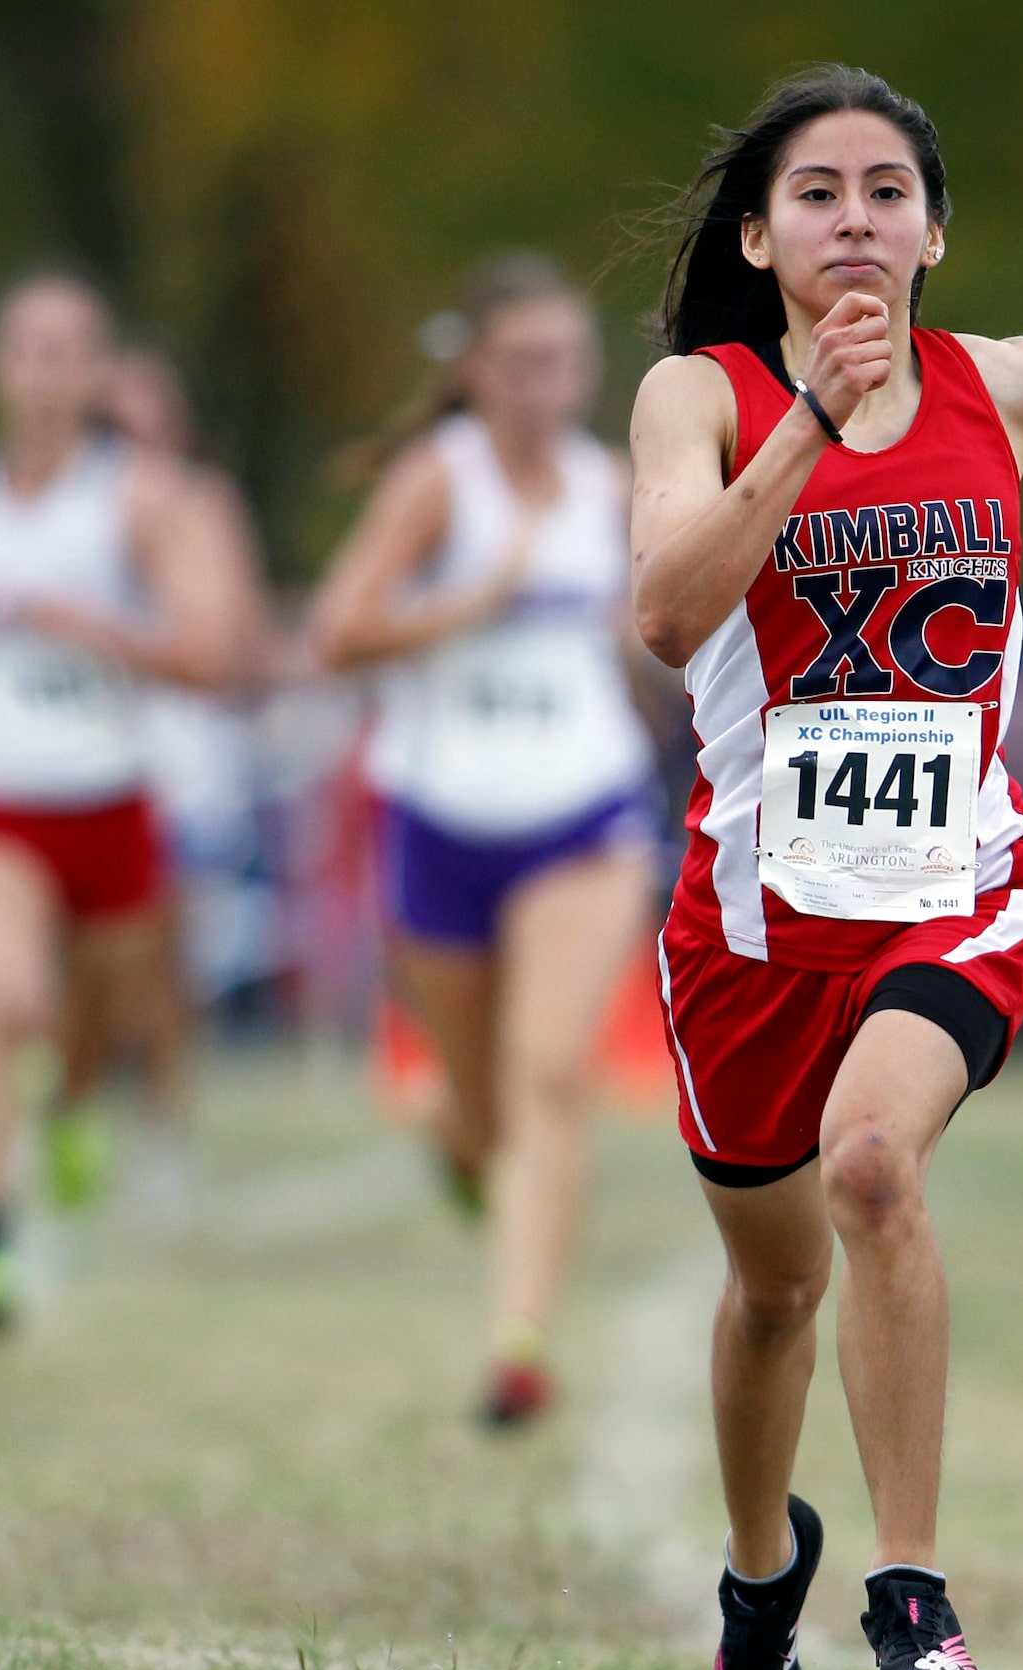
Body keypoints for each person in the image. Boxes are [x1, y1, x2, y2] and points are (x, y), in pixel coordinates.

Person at [629, 67, 1023, 1670]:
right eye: (817, 192)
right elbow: (664, 613)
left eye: (887, 190)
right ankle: (754, 1578)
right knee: (774, 1295)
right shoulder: (696, 398)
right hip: (754, 928)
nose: (855, 219)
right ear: (758, 234)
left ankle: (913, 1590)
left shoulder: (1008, 386)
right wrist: (808, 418)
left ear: (937, 228)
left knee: (875, 1162)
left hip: (963, 882)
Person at [311, 253, 658, 1427]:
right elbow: (336, 632)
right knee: (479, 1116)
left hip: (583, 811)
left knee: (551, 1071)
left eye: (561, 362)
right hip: (439, 813)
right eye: (517, 363)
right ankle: (449, 1141)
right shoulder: (438, 483)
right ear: (474, 369)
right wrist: (467, 604)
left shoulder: (608, 483)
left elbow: (653, 634)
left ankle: (519, 1343)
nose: (540, 385)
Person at [0, 273, 254, 1332]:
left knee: (99, 1022)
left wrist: (90, 627)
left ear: (96, 374)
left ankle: (78, 1106)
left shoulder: (137, 497)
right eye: (27, 350)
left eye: (68, 353)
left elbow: (210, 655)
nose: (46, 374)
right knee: (6, 1004)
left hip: (108, 802)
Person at [41, 344, 269, 1223]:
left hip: (181, 756)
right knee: (85, 966)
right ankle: (72, 1096)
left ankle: (163, 1127)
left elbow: (232, 639)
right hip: (74, 746)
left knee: (160, 961)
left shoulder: (199, 504)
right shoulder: (65, 504)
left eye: (151, 421)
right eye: (117, 424)